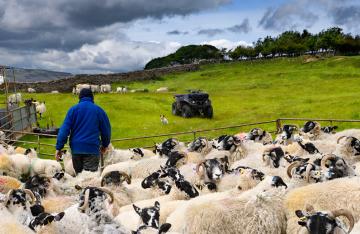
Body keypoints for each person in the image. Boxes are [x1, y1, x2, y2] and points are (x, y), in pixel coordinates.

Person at [55, 88, 111, 174]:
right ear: (92, 97)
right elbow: (106, 130)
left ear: (80, 97)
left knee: (79, 177)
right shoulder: (99, 111)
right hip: (92, 149)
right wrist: (105, 145)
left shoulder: (73, 110)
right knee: (89, 179)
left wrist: (59, 148)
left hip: (76, 150)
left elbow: (64, 130)